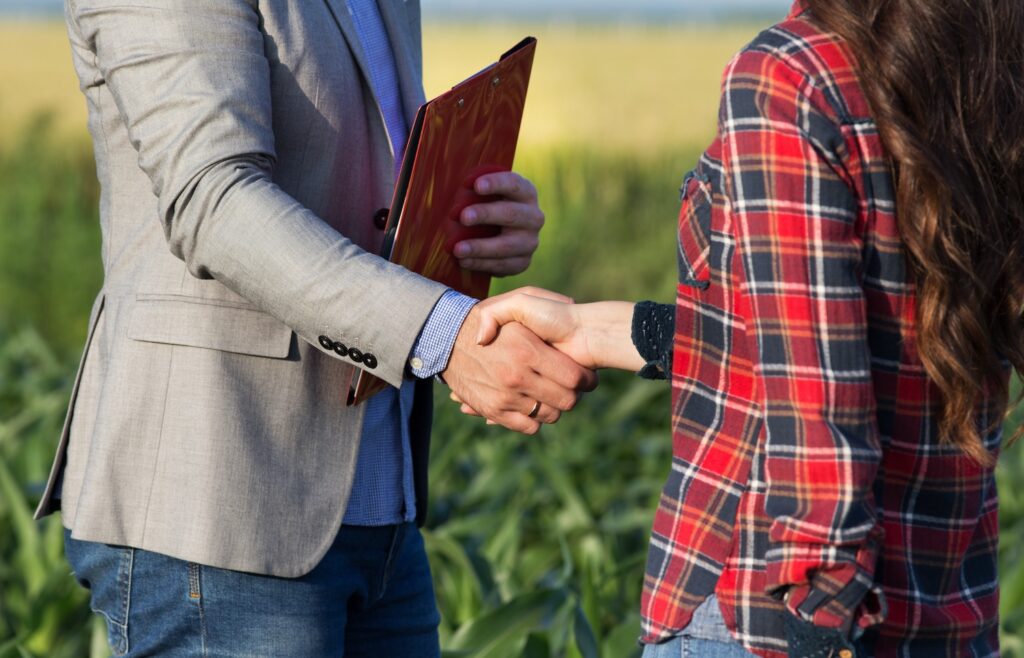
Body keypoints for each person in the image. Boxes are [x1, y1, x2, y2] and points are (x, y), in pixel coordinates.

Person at [34, 0, 596, 656]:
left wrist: (468, 226)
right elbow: (213, 201)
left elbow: (358, 185)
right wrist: (442, 333)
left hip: (380, 503)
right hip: (222, 508)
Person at [466, 0, 1024, 655]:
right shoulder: (986, 59)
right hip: (945, 607)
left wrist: (820, 621)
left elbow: (819, 408)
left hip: (770, 621)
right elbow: (849, 334)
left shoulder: (792, 76)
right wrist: (609, 331)